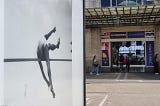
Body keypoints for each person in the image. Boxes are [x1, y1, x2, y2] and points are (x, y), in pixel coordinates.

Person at [37, 27, 60, 98]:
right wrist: (48, 82)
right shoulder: (41, 49)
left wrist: (52, 31)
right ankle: (51, 87)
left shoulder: (43, 42)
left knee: (49, 45)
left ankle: (56, 46)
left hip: (43, 50)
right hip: (41, 55)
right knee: (45, 70)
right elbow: (43, 71)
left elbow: (48, 35)